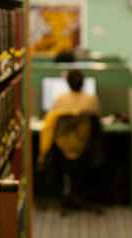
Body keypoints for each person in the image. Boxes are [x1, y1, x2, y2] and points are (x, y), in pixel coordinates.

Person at [39, 70, 102, 213]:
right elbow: (97, 123)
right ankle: (77, 193)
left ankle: (67, 193)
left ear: (67, 83)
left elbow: (50, 125)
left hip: (62, 150)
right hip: (84, 147)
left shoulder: (61, 100)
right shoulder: (91, 100)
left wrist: (43, 153)